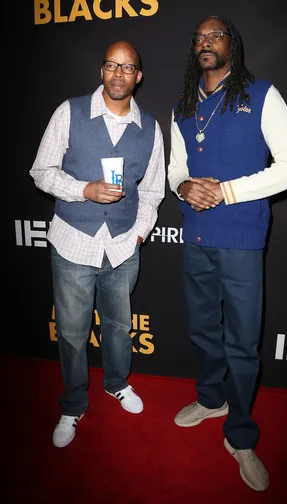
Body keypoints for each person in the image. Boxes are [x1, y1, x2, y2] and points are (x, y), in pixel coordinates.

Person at [168, 14, 287, 491]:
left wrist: (227, 191)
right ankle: (212, 399)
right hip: (196, 236)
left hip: (243, 237)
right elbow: (174, 169)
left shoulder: (263, 95)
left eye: (215, 35)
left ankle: (241, 435)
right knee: (204, 330)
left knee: (243, 343)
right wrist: (184, 186)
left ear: (232, 43)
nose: (206, 42)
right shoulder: (183, 105)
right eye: (199, 37)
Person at [30, 40, 165, 448]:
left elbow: (155, 191)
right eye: (111, 65)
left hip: (123, 246)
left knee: (120, 328)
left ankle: (117, 384)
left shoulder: (151, 128)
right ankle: (72, 405)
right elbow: (41, 171)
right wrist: (83, 190)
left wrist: (138, 235)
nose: (118, 73)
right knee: (72, 332)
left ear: (138, 76)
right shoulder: (68, 113)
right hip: (73, 242)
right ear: (101, 71)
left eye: (127, 67)